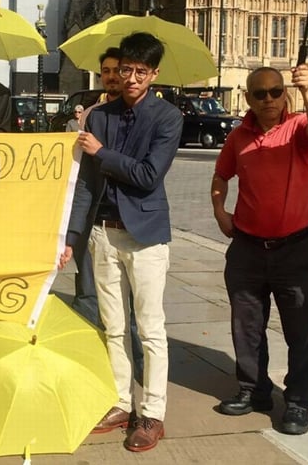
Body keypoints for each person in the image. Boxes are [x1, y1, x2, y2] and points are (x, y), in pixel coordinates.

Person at [60, 32, 183, 453]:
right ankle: (119, 401)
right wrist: (73, 236)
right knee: (113, 327)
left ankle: (151, 414)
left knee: (149, 329)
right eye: (126, 69)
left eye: (140, 72)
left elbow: (149, 175)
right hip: (103, 232)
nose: (130, 78)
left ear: (154, 74)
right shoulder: (99, 117)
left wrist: (101, 153)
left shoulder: (167, 117)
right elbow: (85, 186)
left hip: (145, 235)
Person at [210, 64, 308, 435]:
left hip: (293, 249)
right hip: (246, 248)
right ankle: (253, 390)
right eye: (260, 93)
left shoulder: (297, 129)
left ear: (285, 94)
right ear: (248, 98)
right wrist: (219, 209)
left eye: (275, 91)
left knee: (300, 330)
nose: (268, 99)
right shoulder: (238, 136)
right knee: (246, 326)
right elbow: (220, 176)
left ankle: (297, 402)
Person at [69, 46, 122, 325]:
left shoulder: (133, 115)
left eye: (117, 71)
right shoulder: (91, 114)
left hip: (122, 216)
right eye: (106, 71)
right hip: (92, 210)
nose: (111, 76)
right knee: (87, 289)